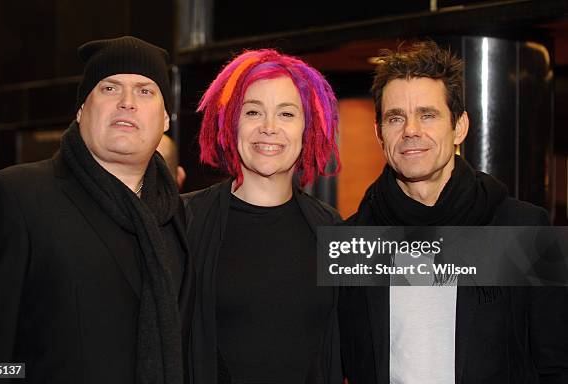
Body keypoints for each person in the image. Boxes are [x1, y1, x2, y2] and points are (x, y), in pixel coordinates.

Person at [0, 36, 193, 384]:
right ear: (81, 110)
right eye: (110, 88)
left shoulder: (179, 220)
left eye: (145, 91)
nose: (127, 102)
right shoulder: (14, 198)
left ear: (165, 120)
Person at [339, 41, 568, 384]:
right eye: (395, 117)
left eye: (427, 115)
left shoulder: (523, 228)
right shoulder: (354, 241)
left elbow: (556, 362)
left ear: (459, 127)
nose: (410, 131)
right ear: (379, 134)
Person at [183, 49, 342, 384]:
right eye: (253, 111)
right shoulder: (183, 223)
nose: (269, 128)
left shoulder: (332, 229)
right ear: (230, 122)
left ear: (307, 128)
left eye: (287, 114)